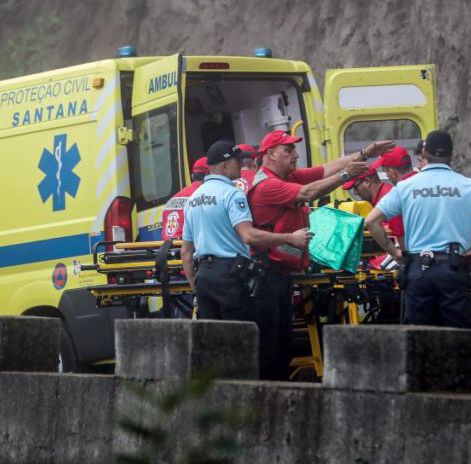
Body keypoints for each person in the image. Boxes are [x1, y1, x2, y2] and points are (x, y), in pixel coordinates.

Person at [247, 130, 393, 380]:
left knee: (283, 343)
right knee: (270, 346)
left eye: (294, 149)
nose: (295, 154)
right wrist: (347, 175)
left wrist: (366, 153)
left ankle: (278, 395)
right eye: (288, 150)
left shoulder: (287, 175)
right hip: (267, 277)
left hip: (281, 275)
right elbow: (308, 193)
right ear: (270, 155)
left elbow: (325, 170)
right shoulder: (268, 185)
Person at [366, 130, 471, 329]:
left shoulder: (406, 187)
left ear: (424, 153)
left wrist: (395, 253)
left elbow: (372, 221)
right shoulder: (467, 185)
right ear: (451, 154)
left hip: (418, 270)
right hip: (454, 268)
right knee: (458, 338)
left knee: (419, 339)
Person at [180, 140, 311, 324]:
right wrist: (290, 238)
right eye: (237, 161)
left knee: (213, 342)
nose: (242, 164)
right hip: (229, 275)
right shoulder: (232, 193)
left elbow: (186, 253)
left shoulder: (193, 199)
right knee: (241, 341)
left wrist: (197, 286)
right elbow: (248, 235)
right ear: (225, 166)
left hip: (204, 278)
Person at [161, 157, 210, 240]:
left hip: (167, 249)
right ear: (208, 176)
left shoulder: (171, 200)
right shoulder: (205, 197)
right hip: (188, 248)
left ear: (192, 176)